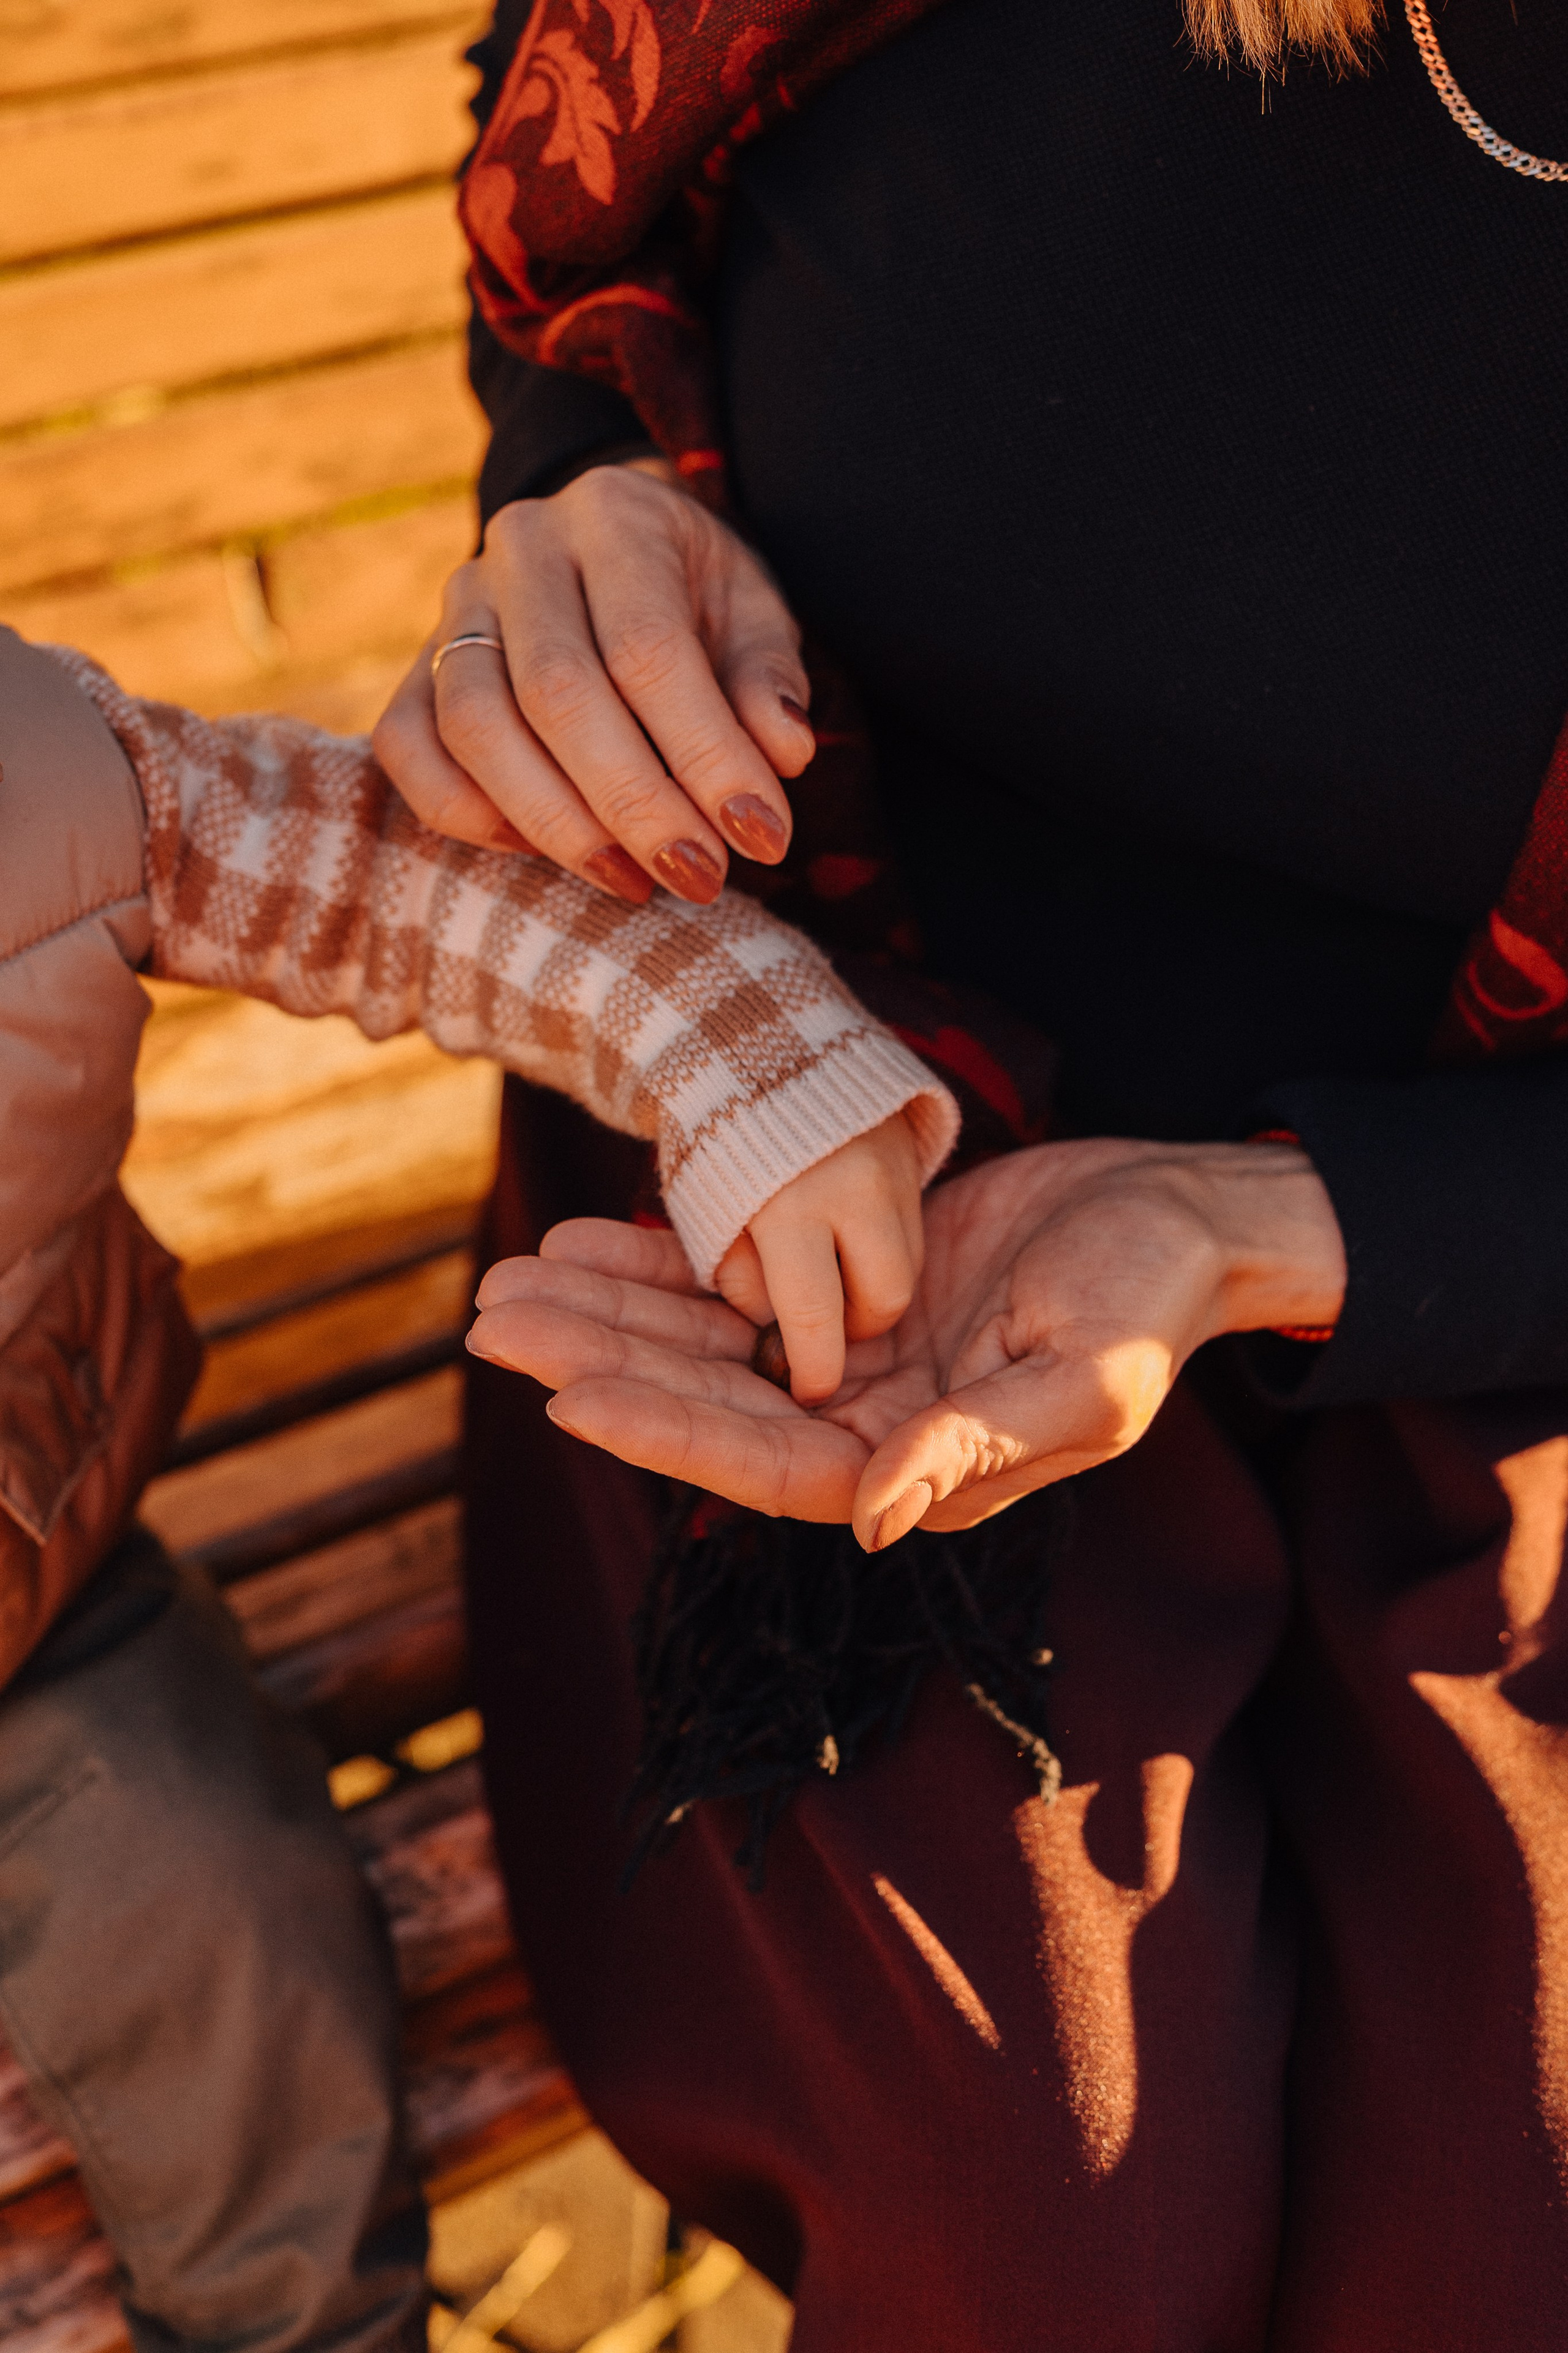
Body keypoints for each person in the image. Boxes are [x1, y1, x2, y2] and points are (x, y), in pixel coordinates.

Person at [368, 1, 1568, 2346]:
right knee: (1048, 2215)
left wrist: (1285, 1234)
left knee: (1516, 2210)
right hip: (821, 1131)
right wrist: (586, 505)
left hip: (1495, 1250)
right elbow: (576, 183)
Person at [0, 626, 952, 2351]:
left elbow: (379, 874)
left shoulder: (34, 793)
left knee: (225, 1926)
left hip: (29, 1585)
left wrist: (746, 1063)